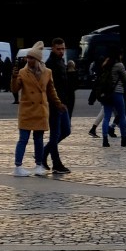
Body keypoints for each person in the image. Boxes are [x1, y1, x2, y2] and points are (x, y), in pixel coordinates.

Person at [11, 42, 65, 177]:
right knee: (23, 139)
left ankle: (38, 165)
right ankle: (18, 166)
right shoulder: (22, 72)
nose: (28, 60)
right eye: (28, 58)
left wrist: (58, 104)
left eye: (31, 58)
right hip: (27, 110)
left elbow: (51, 91)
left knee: (39, 139)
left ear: (38, 59)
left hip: (40, 110)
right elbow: (15, 89)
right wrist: (13, 77)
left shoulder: (47, 72)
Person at [44, 38, 78, 171]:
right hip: (55, 104)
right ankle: (56, 163)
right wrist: (56, 102)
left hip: (63, 103)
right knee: (55, 133)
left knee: (66, 131)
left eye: (63, 49)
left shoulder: (61, 62)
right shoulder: (51, 64)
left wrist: (71, 72)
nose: (61, 51)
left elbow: (69, 85)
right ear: (52, 48)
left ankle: (43, 153)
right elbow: (51, 87)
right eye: (58, 49)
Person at [98, 54, 126, 147]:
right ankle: (124, 138)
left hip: (106, 94)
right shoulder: (119, 65)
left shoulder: (105, 64)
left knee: (106, 117)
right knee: (122, 115)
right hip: (117, 93)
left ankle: (105, 140)